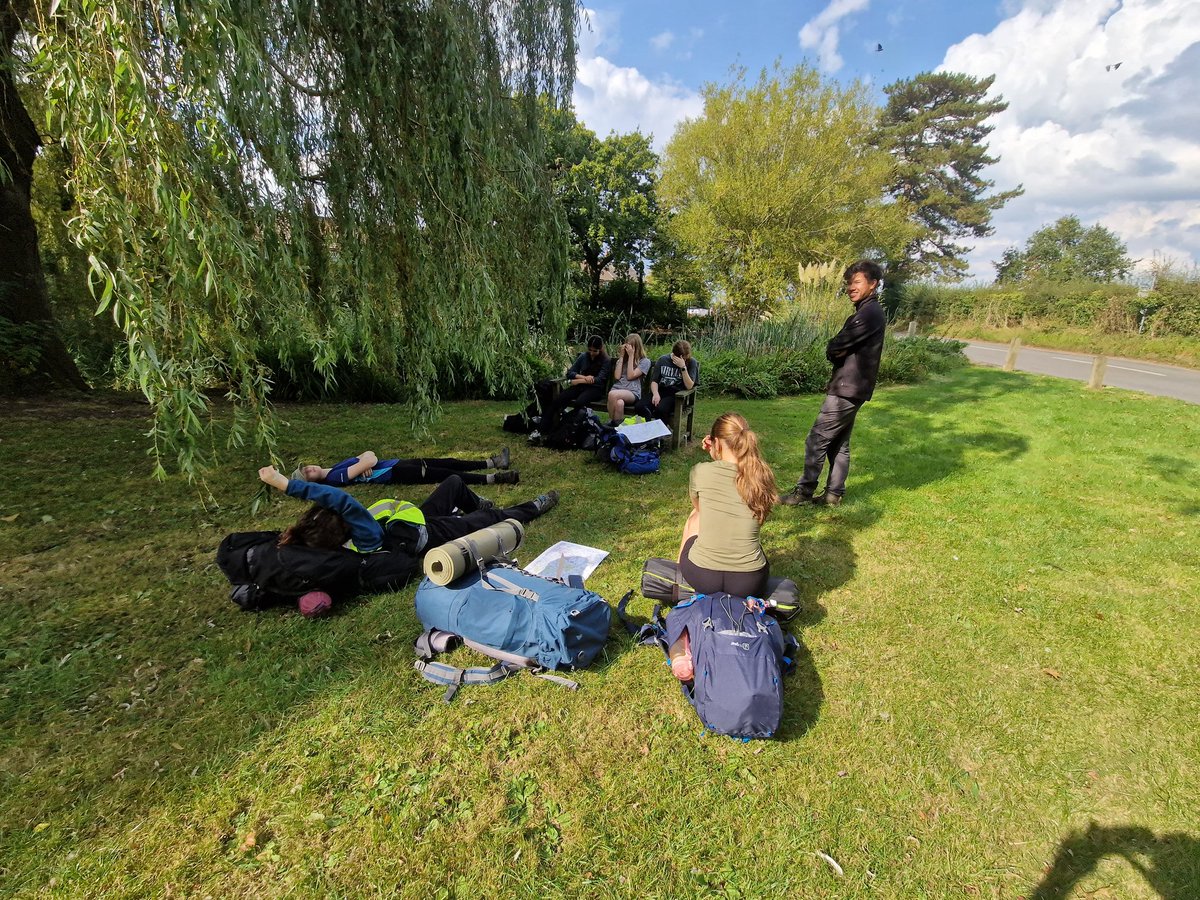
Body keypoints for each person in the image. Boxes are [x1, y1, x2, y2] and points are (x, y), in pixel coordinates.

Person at [258, 466, 558, 556]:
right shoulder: (365, 538)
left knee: (453, 482)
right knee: (490, 520)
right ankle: (533, 507)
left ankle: (475, 505)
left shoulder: (343, 536)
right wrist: (286, 485)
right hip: (429, 535)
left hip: (415, 520)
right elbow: (341, 500)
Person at [780, 260, 886, 507]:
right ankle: (833, 495)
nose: (851, 287)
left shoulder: (869, 314)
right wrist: (836, 348)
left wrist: (833, 348)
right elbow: (839, 347)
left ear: (873, 284)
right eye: (849, 283)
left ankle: (804, 492)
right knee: (839, 443)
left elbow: (836, 345)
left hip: (848, 388)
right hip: (853, 387)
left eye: (857, 282)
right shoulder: (865, 312)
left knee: (817, 439)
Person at [677, 412, 777, 598]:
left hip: (701, 576)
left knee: (695, 516)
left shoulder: (700, 471)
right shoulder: (761, 477)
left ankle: (676, 574)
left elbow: (701, 509)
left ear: (716, 443)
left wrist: (715, 455)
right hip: (749, 582)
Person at [291, 448, 517, 487]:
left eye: (306, 467)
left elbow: (368, 455)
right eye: (306, 474)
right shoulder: (335, 478)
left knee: (448, 462)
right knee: (446, 474)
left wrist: (363, 462)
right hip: (395, 472)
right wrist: (363, 463)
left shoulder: (334, 468)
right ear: (311, 481)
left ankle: (493, 462)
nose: (309, 469)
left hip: (396, 463)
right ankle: (495, 478)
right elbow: (369, 460)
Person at [538, 335, 612, 433]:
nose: (592, 353)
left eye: (595, 351)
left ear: (601, 349)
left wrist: (577, 381)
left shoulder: (606, 360)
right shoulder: (584, 356)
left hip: (595, 389)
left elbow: (599, 379)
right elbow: (570, 373)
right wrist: (584, 378)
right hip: (581, 386)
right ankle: (542, 428)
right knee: (559, 399)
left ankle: (568, 428)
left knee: (580, 402)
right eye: (590, 350)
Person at [648, 340, 698, 424]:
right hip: (660, 391)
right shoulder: (663, 360)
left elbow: (689, 386)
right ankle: (647, 428)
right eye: (683, 358)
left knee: (661, 409)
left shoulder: (692, 362)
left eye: (686, 357)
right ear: (674, 355)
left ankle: (661, 430)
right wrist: (656, 394)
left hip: (677, 395)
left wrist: (683, 367)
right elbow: (654, 380)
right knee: (640, 406)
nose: (685, 359)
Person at [607, 332, 652, 425]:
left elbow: (630, 376)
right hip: (618, 389)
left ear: (636, 347)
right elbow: (617, 376)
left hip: (632, 392)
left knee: (612, 394)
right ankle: (618, 428)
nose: (628, 348)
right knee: (619, 404)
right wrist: (621, 357)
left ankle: (610, 423)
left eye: (630, 346)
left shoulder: (644, 361)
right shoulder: (622, 360)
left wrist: (631, 356)